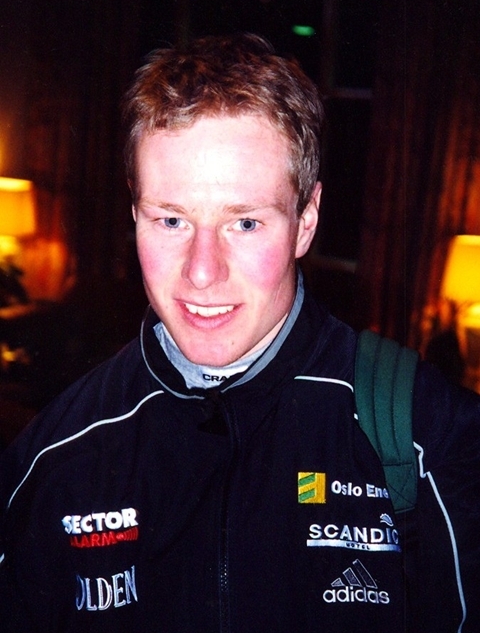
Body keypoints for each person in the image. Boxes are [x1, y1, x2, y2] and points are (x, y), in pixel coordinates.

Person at [0, 33, 479, 633]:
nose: (202, 272)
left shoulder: (428, 435)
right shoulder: (51, 459)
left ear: (306, 221)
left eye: (245, 223)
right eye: (171, 220)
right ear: (134, 212)